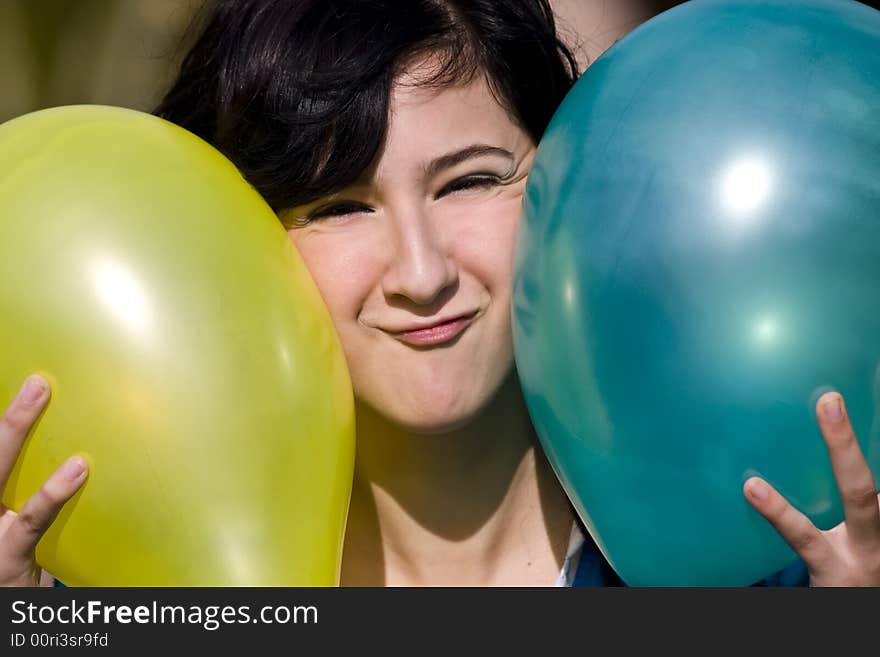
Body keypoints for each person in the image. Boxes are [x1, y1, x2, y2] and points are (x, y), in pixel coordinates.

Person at [2, 0, 878, 587]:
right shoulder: (131, 596)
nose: (422, 275)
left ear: (570, 173)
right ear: (234, 232)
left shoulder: (788, 560)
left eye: (467, 183)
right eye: (339, 207)